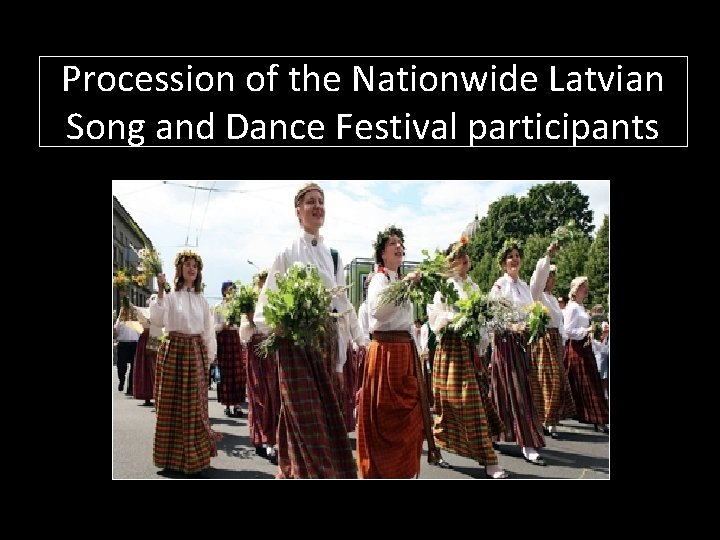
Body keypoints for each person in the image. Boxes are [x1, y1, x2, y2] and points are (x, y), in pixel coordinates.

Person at [253, 182, 366, 479]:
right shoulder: (287, 252)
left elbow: (342, 307)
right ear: (298, 212)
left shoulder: (334, 256)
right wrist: (278, 327)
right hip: (294, 345)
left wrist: (351, 349)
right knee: (306, 418)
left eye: (321, 201)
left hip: (325, 343)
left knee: (326, 417)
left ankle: (299, 472)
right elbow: (265, 306)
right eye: (310, 202)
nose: (317, 206)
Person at [357, 225, 444, 478]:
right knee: (386, 416)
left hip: (405, 352)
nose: (399, 246)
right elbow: (377, 311)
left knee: (410, 415)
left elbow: (407, 324)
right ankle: (384, 472)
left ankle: (405, 472)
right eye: (393, 243)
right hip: (385, 351)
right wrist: (405, 285)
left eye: (401, 243)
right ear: (382, 253)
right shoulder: (379, 279)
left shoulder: (396, 280)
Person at [427, 238, 508, 479]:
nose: (465, 259)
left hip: (469, 352)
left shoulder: (473, 287)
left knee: (475, 404)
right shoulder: (444, 288)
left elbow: (482, 320)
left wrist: (480, 339)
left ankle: (488, 459)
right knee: (450, 406)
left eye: (466, 255)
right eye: (459, 255)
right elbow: (437, 322)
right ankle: (438, 448)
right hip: (451, 351)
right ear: (451, 262)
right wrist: (457, 319)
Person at [150, 250, 219, 476]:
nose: (191, 269)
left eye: (195, 266)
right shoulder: (170, 296)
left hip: (194, 352)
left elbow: (208, 331)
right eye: (187, 264)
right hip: (174, 351)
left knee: (194, 405)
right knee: (171, 403)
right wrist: (160, 291)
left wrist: (209, 357)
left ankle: (194, 457)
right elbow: (158, 321)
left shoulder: (201, 300)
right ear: (179, 269)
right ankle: (169, 457)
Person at [487, 241, 547, 466]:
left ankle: (495, 433)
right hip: (505, 344)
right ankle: (527, 443)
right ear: (503, 263)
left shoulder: (523, 286)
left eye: (516, 256)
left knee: (506, 390)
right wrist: (512, 326)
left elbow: (531, 311)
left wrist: (533, 323)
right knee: (513, 391)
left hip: (522, 344)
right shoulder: (499, 286)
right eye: (510, 257)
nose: (514, 259)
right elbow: (492, 317)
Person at [528, 244, 576, 438]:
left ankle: (550, 419)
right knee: (548, 380)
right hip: (543, 340)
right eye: (551, 276)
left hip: (555, 340)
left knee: (558, 380)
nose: (553, 280)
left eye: (554, 277)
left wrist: (563, 342)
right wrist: (548, 255)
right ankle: (545, 419)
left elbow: (561, 323)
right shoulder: (537, 296)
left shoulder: (553, 300)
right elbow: (537, 279)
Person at [240, 269, 281, 464]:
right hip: (255, 351)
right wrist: (249, 321)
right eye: (263, 281)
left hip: (273, 351)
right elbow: (243, 334)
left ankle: (271, 439)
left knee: (274, 395)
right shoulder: (252, 303)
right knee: (258, 394)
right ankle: (260, 436)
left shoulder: (275, 301)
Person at [563, 276, 609, 433]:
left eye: (586, 286)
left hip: (585, 347)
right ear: (575, 290)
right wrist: (586, 331)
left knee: (589, 381)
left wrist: (593, 333)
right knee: (584, 381)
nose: (585, 289)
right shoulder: (572, 308)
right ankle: (595, 417)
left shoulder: (581, 307)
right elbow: (568, 330)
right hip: (576, 348)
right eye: (582, 287)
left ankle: (596, 416)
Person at [214, 281, 246, 418]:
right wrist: (223, 325)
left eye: (233, 290)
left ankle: (237, 405)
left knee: (238, 374)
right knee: (226, 373)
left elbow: (242, 326)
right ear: (223, 291)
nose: (231, 292)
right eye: (228, 290)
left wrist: (242, 341)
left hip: (235, 339)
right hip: (224, 340)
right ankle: (227, 406)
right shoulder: (218, 306)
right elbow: (214, 326)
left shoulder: (238, 307)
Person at [133, 294, 162, 407]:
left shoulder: (158, 314)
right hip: (145, 340)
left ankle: (157, 395)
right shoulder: (143, 313)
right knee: (145, 368)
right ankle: (146, 396)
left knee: (155, 367)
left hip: (155, 339)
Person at [114, 295, 140, 395]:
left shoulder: (137, 321)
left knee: (134, 368)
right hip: (123, 344)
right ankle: (121, 381)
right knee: (121, 367)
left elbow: (140, 333)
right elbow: (116, 332)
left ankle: (130, 388)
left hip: (134, 344)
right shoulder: (120, 321)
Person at [592, 321, 610, 401]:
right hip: (599, 358)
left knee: (605, 375)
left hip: (605, 358)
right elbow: (599, 348)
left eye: (607, 328)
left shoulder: (607, 338)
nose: (606, 330)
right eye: (605, 329)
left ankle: (605, 391)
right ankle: (603, 392)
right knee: (602, 374)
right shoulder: (596, 340)